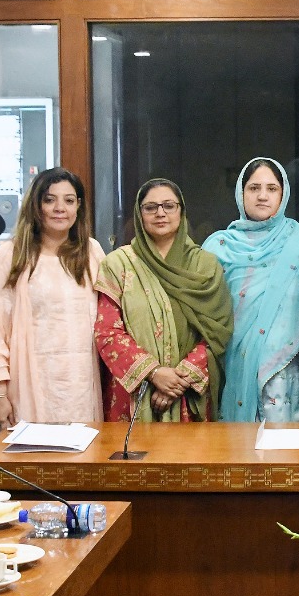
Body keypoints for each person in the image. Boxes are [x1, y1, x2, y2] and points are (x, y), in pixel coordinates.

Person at [0, 168, 105, 445]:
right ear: (36, 205)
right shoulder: (12, 255)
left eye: (69, 200)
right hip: (28, 382)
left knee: (81, 464)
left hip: (82, 382)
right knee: (33, 464)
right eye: (50, 200)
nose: (59, 208)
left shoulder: (91, 253)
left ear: (79, 207)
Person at [96, 179, 234, 422]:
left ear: (181, 212)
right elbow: (108, 332)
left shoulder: (205, 266)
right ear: (139, 215)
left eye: (169, 206)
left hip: (187, 394)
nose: (160, 213)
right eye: (151, 207)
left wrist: (178, 380)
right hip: (134, 394)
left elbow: (217, 331)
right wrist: (154, 373)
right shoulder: (118, 265)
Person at [203, 158, 299, 422]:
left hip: (289, 374)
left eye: (272, 188)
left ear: (284, 194)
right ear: (240, 193)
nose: (262, 196)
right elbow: (205, 316)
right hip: (235, 367)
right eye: (254, 188)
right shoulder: (218, 247)